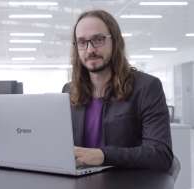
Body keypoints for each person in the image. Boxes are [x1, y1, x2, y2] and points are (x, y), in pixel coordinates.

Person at [62, 9, 173, 171]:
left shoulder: (147, 87)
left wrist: (103, 156)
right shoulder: (69, 90)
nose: (90, 50)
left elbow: (161, 155)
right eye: (82, 42)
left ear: (116, 41)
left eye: (98, 40)